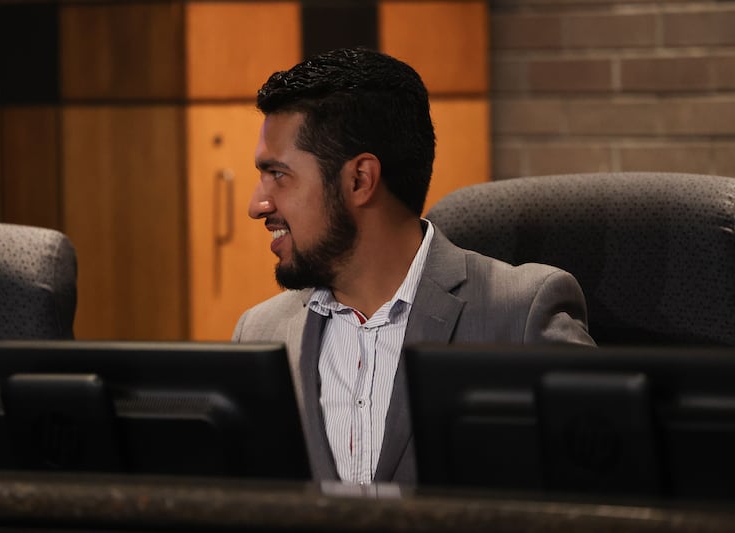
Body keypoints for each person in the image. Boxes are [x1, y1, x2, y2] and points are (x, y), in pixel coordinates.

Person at [232, 47, 595, 485]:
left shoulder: (521, 312)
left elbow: (602, 498)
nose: (257, 205)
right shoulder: (258, 333)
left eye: (278, 174)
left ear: (359, 179)